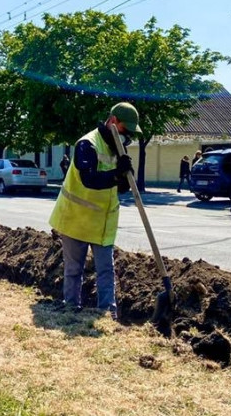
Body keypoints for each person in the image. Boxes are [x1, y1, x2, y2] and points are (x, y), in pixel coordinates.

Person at [48, 102, 141, 321]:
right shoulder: (87, 144)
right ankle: (71, 310)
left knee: (106, 270)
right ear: (112, 121)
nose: (127, 135)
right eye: (124, 129)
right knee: (74, 269)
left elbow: (122, 187)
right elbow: (88, 179)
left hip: (103, 222)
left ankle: (108, 314)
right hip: (76, 219)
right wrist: (115, 174)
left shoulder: (119, 148)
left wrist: (126, 174)